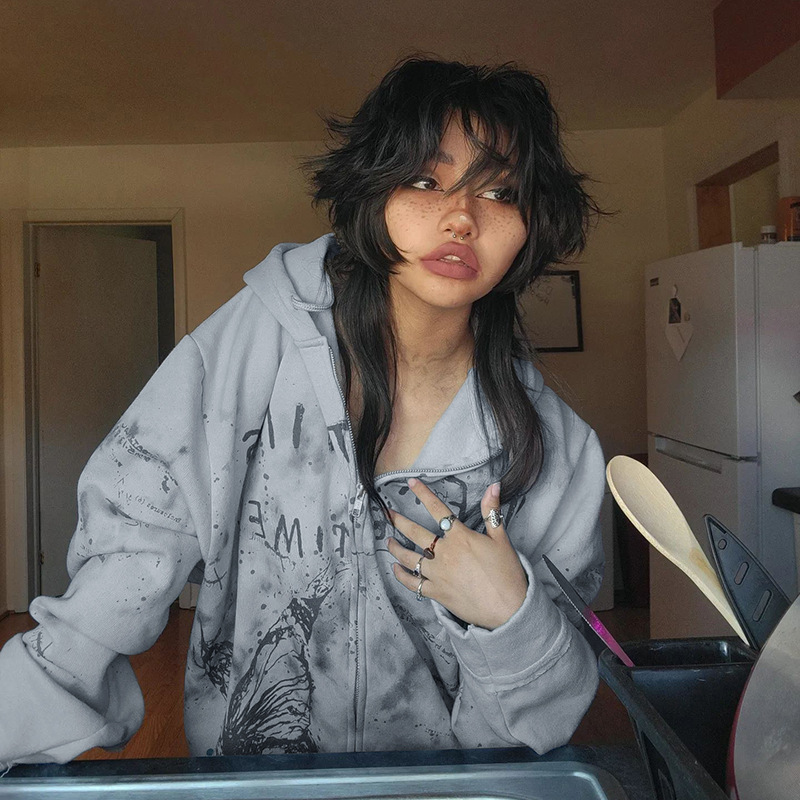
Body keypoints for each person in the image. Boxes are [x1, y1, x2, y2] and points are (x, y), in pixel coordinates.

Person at [0, 57, 605, 765]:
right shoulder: (257, 339)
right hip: (251, 779)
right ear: (372, 190)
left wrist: (511, 618)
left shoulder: (558, 451)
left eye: (500, 192)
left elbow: (543, 722)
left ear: (532, 224)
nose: (462, 218)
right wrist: (24, 709)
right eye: (424, 180)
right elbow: (135, 538)